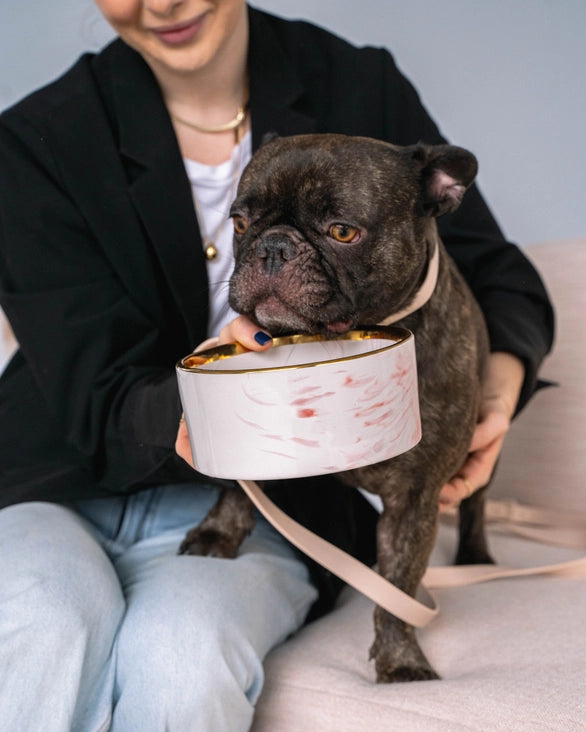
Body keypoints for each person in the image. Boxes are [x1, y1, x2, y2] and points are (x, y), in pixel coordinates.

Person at [0, 1, 554, 730]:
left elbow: (495, 270)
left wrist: (497, 387)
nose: (162, 2)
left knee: (184, 658)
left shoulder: (356, 82)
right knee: (43, 627)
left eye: (341, 228)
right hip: (60, 481)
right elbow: (85, 387)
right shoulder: (37, 138)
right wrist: (223, 392)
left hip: (284, 504)